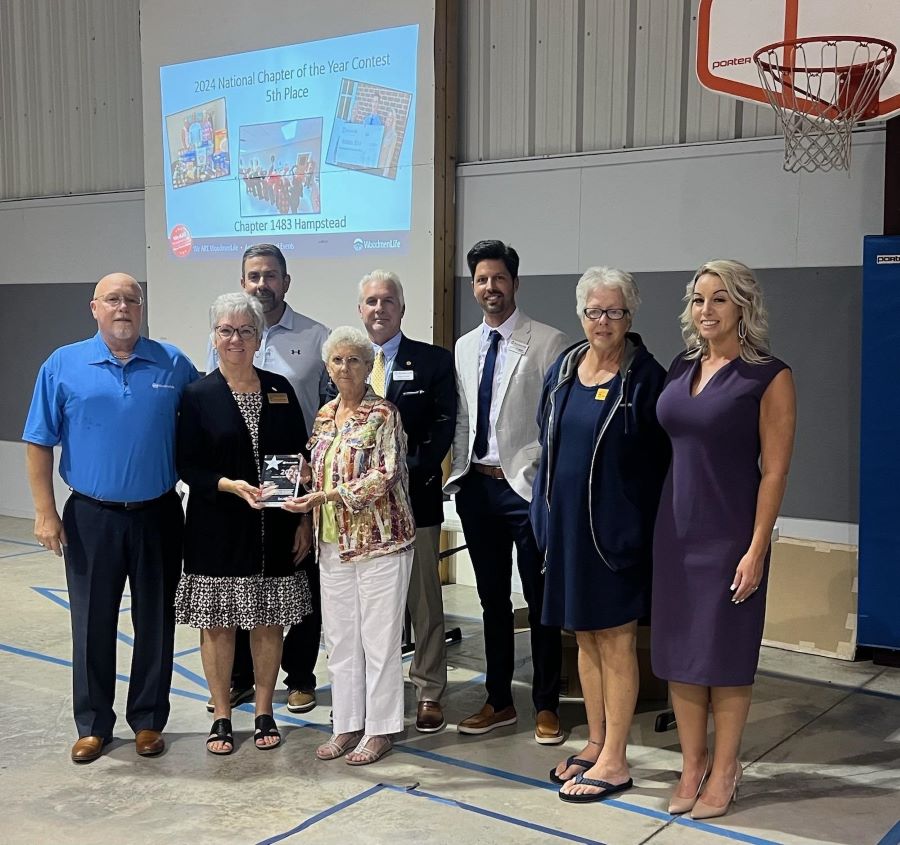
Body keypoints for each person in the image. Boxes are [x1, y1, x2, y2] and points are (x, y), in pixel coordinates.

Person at [22, 272, 199, 763]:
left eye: (132, 300)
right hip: (90, 517)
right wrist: (44, 512)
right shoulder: (63, 364)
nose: (123, 308)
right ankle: (93, 724)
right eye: (113, 300)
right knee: (92, 622)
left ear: (142, 309)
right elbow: (38, 441)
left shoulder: (173, 362)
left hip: (159, 514)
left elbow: (210, 419)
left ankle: (147, 721)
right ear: (94, 308)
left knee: (156, 622)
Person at [651, 260, 795, 820]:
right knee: (681, 656)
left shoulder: (769, 375)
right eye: (697, 300)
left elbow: (776, 472)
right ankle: (693, 764)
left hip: (732, 533)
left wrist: (757, 548)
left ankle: (727, 767)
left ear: (742, 307)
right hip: (675, 530)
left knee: (725, 657)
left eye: (718, 299)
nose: (705, 310)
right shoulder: (681, 364)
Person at [531, 268, 670, 802]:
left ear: (630, 316)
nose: (602, 321)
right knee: (584, 639)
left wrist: (641, 527)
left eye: (613, 311)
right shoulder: (566, 367)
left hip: (616, 535)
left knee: (615, 643)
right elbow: (548, 443)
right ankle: (595, 741)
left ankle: (615, 759)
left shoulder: (646, 377)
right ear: (581, 315)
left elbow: (661, 464)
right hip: (567, 530)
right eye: (593, 311)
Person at [177, 292, 313, 753]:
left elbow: (297, 455)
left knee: (269, 621)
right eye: (226, 330)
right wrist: (228, 484)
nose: (236, 338)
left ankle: (263, 710)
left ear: (259, 338)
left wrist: (302, 519)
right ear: (214, 337)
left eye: (245, 330)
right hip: (216, 527)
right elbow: (187, 466)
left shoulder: (279, 388)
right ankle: (220, 715)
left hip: (274, 526)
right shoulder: (197, 395)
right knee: (217, 624)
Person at [446, 239, 569, 743]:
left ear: (515, 283)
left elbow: (555, 423)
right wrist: (456, 471)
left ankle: (547, 704)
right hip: (476, 488)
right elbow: (461, 419)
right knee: (492, 601)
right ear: (473, 285)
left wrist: (536, 478)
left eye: (498, 278)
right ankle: (499, 701)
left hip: (524, 491)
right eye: (481, 279)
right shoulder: (463, 346)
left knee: (539, 601)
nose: (490, 288)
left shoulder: (549, 341)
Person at [206, 244, 329, 716]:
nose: (262, 283)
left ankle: (300, 678)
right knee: (239, 586)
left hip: (290, 480)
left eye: (271, 275)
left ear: (286, 281)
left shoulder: (315, 336)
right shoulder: (226, 336)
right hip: (235, 488)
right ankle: (240, 680)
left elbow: (323, 419)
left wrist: (305, 501)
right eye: (254, 275)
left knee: (295, 584)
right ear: (243, 282)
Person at [284, 326, 415, 765]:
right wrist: (304, 479)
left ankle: (380, 730)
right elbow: (319, 468)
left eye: (354, 360)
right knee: (340, 640)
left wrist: (328, 495)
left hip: (381, 542)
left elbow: (387, 474)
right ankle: (347, 724)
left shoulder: (384, 414)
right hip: (331, 544)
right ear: (327, 366)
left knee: (379, 641)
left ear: (368, 366)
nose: (345, 368)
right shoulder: (324, 415)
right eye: (337, 360)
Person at [357, 269, 456, 732]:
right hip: (359, 511)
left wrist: (397, 475)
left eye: (388, 301)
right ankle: (375, 694)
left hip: (415, 500)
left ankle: (430, 690)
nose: (380, 309)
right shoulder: (345, 362)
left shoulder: (433, 361)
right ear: (361, 310)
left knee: (423, 601)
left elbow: (441, 428)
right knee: (372, 607)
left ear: (402, 308)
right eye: (372, 301)